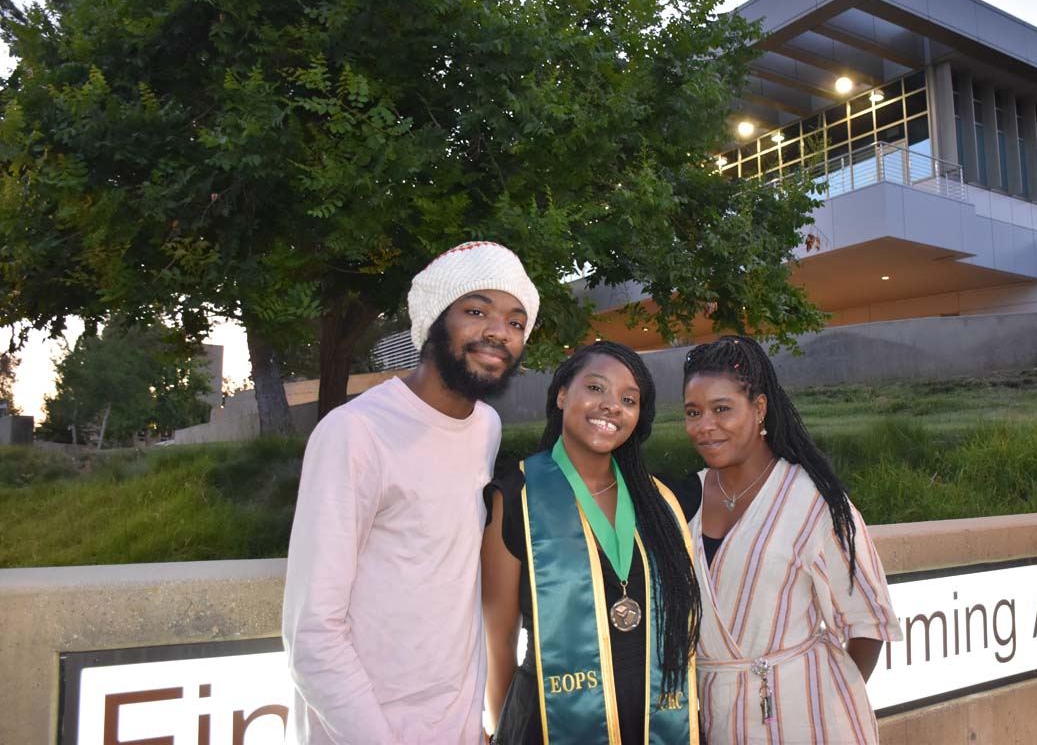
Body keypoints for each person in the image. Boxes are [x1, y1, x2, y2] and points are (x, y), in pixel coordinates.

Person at [282, 241, 540, 744]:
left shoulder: (485, 426)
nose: (498, 331)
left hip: (459, 725)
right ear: (433, 320)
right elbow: (311, 634)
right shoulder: (355, 432)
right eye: (476, 311)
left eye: (516, 321)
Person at [679, 335, 901, 745]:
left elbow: (867, 622)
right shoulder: (680, 499)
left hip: (811, 719)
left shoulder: (813, 500)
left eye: (722, 409)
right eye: (693, 412)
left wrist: (830, 698)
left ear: (759, 408)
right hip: (716, 720)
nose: (704, 426)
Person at [481, 341, 702, 744]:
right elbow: (498, 641)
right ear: (562, 395)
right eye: (596, 388)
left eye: (628, 399)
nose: (612, 406)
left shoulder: (659, 503)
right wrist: (500, 730)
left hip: (654, 719)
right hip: (548, 720)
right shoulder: (517, 498)